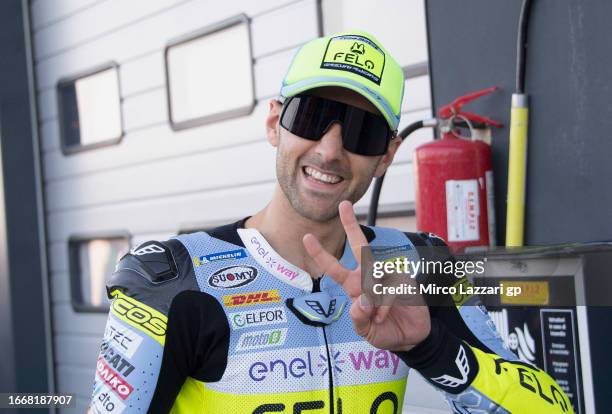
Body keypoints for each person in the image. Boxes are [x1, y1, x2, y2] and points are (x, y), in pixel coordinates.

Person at [89, 31, 573, 413]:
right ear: (274, 123)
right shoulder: (176, 281)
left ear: (387, 156)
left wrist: (433, 349)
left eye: (361, 131)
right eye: (313, 114)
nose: (329, 149)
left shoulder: (417, 266)